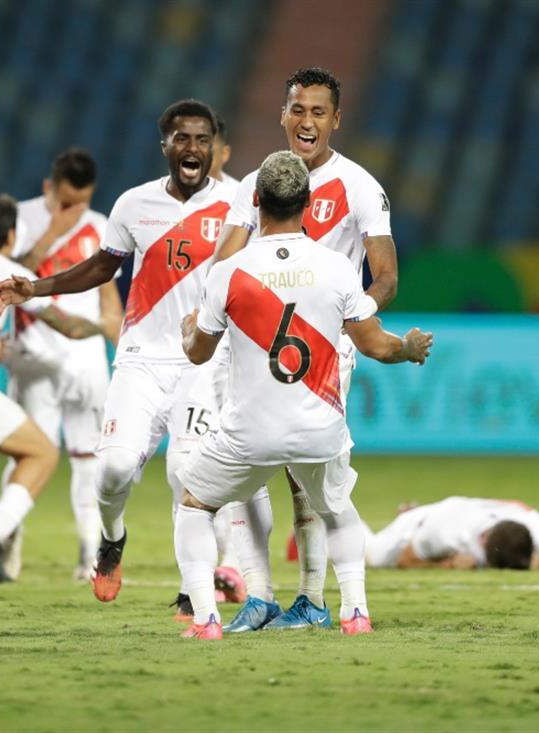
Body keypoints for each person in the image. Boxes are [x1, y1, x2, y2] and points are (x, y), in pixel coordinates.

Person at [0, 99, 236, 604]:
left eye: (202, 139)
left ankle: (193, 590)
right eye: (182, 138)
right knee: (114, 468)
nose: (192, 147)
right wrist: (35, 288)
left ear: (214, 147)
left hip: (204, 360)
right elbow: (102, 267)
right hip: (141, 357)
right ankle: (111, 538)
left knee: (188, 473)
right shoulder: (134, 204)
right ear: (165, 145)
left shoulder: (238, 206)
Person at [175, 150, 432, 639]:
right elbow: (375, 345)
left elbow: (199, 354)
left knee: (194, 505)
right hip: (319, 429)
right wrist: (408, 348)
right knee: (337, 508)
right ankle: (355, 613)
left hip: (250, 432)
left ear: (256, 201)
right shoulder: (337, 268)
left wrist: (190, 330)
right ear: (308, 202)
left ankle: (206, 619)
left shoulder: (229, 272)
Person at [214, 67, 401, 633]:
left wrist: (346, 318)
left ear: (336, 119)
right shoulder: (257, 184)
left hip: (322, 349)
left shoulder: (359, 187)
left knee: (306, 480)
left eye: (319, 112)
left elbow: (386, 277)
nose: (307, 121)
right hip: (253, 347)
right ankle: (260, 595)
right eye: (298, 109)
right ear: (282, 114)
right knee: (244, 468)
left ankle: (313, 599)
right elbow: (224, 264)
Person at [0, 194, 107, 582]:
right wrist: (107, 326)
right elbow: (70, 327)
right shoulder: (10, 274)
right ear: (11, 235)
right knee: (43, 453)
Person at [6, 148, 123, 580]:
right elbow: (5, 276)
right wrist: (51, 234)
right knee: (27, 454)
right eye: (67, 202)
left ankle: (89, 554)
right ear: (48, 188)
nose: (75, 212)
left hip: (87, 362)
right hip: (35, 361)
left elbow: (108, 298)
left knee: (88, 461)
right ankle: (7, 544)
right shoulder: (22, 219)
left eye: (82, 202)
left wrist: (117, 341)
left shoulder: (101, 225)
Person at [365, 498, 539, 570]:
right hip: (412, 527)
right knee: (368, 557)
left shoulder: (537, 528)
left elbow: (519, 505)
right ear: (484, 541)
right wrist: (447, 564)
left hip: (454, 510)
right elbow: (405, 559)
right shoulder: (446, 535)